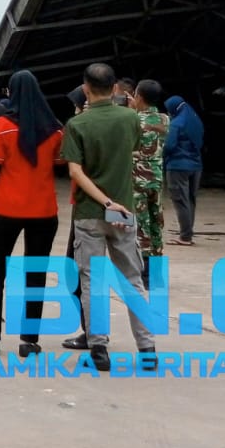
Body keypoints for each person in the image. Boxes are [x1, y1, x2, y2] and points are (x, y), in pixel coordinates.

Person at [63, 63, 156, 372]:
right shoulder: (131, 118)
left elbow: (75, 171)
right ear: (115, 88)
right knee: (132, 280)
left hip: (90, 213)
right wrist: (116, 203)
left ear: (86, 88)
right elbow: (133, 151)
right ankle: (147, 348)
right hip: (125, 212)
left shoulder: (77, 125)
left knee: (92, 281)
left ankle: (99, 348)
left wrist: (104, 201)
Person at [0, 70, 64, 357]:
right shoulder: (55, 129)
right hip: (45, 209)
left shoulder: (2, 126)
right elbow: (60, 164)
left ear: (12, 93)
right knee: (36, 273)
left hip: (8, 208)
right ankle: (29, 340)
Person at [130, 79, 170, 276]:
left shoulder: (133, 121)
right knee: (156, 222)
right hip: (156, 178)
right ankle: (157, 272)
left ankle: (144, 272)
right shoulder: (164, 119)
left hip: (138, 180)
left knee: (141, 224)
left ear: (138, 96)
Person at [163, 95, 204, 246]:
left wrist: (160, 156)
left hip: (178, 166)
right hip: (196, 166)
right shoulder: (195, 119)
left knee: (180, 201)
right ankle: (188, 232)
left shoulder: (176, 124)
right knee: (191, 200)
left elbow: (169, 146)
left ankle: (185, 236)